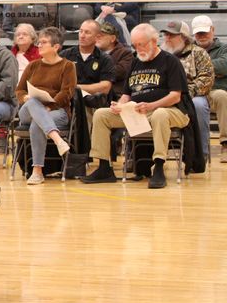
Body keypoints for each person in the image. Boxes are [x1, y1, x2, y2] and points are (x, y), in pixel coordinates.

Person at [85, 23, 197, 188]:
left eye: (141, 44)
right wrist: (120, 105)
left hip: (172, 111)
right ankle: (103, 167)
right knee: (101, 114)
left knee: (160, 115)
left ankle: (158, 166)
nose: (138, 49)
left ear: (153, 41)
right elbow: (126, 95)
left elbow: (175, 96)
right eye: (135, 45)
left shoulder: (170, 61)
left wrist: (152, 105)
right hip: (138, 111)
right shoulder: (135, 63)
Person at [14, 26, 75, 184]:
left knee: (37, 124)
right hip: (28, 109)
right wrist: (26, 97)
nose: (39, 45)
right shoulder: (33, 65)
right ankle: (58, 140)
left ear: (56, 47)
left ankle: (37, 171)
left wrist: (50, 106)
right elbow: (19, 90)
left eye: (43, 42)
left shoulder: (67, 66)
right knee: (34, 102)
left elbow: (67, 92)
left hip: (57, 111)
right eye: (39, 42)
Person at [161, 21, 214, 160]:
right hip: (165, 95)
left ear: (184, 37)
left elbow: (206, 78)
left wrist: (184, 93)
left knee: (199, 105)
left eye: (172, 35)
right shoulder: (160, 55)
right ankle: (149, 156)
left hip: (192, 95)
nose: (167, 38)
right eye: (166, 34)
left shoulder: (199, 53)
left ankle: (200, 155)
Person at [192, 16, 227, 162]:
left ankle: (226, 144)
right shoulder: (188, 49)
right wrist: (214, 72)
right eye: (198, 33)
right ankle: (193, 148)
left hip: (215, 92)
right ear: (193, 34)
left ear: (212, 30)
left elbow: (224, 66)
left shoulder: (224, 48)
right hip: (195, 92)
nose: (202, 36)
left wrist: (198, 67)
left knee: (221, 96)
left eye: (205, 32)